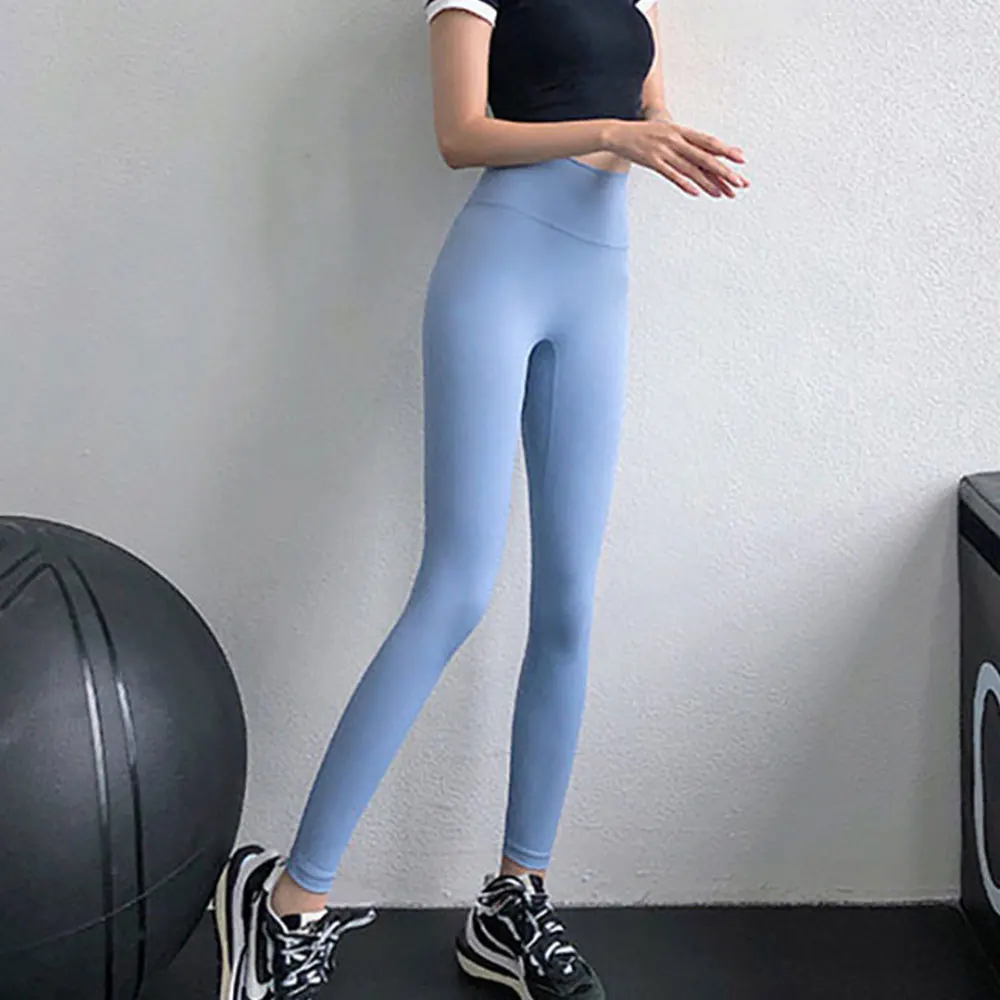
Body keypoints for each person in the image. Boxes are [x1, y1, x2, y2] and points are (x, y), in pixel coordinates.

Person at [214, 2, 749, 998]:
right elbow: (460, 133)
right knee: (456, 588)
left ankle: (514, 899)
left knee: (570, 606)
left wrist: (665, 138)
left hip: (599, 280)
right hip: (497, 270)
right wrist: (616, 131)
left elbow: (650, 111)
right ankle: (288, 900)